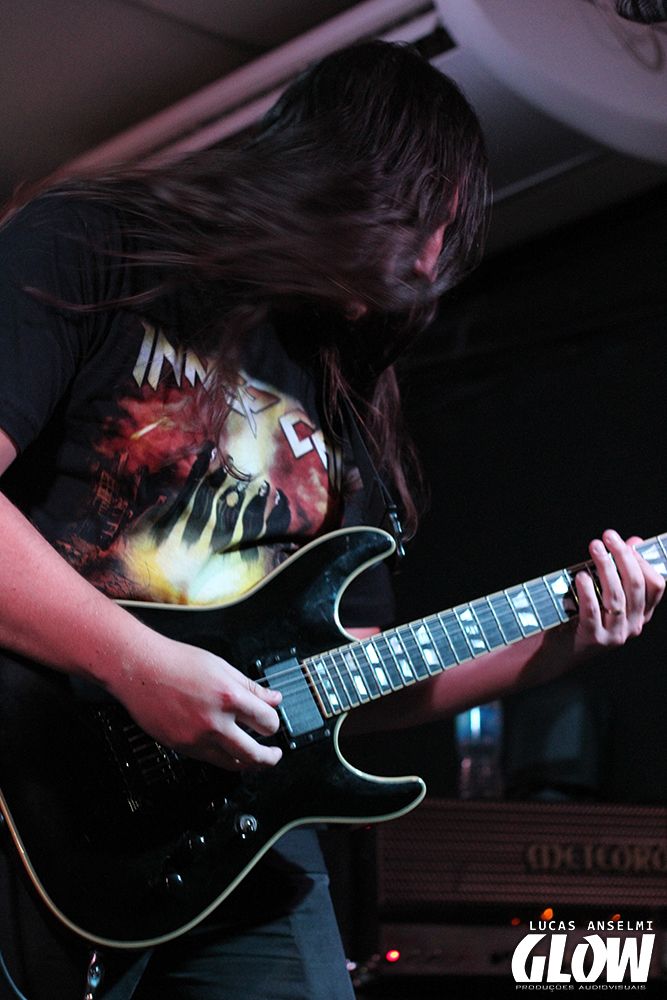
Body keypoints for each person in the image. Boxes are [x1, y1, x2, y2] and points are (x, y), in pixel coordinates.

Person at [0, 40, 663, 1000]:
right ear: (340, 170)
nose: (428, 264)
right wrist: (135, 664)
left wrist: (565, 639)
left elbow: (356, 672)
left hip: (237, 832)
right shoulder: (101, 242)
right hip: (35, 783)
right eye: (423, 220)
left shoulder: (347, 392)